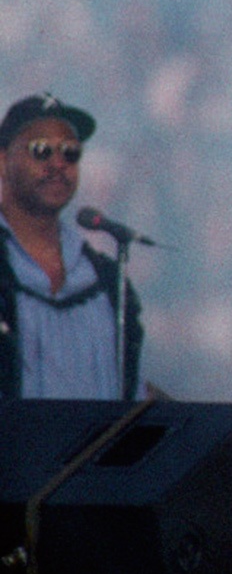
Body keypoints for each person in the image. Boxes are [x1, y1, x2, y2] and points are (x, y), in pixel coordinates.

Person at [0, 92, 142, 400]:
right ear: (2, 161)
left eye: (70, 152)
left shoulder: (107, 282)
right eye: (41, 150)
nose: (58, 163)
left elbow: (132, 392)